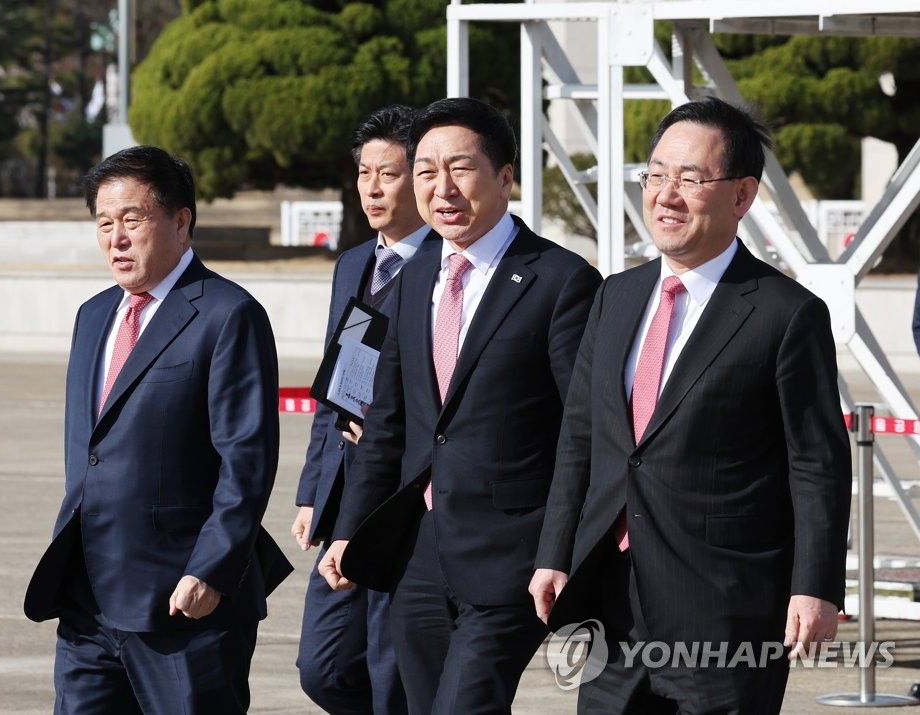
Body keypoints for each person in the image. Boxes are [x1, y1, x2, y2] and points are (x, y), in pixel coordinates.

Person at [530, 97, 852, 713]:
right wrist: (554, 553)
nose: (666, 195)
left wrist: (815, 589)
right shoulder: (615, 296)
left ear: (741, 195)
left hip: (726, 609)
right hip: (611, 606)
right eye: (655, 175)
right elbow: (581, 438)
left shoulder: (785, 314)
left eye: (690, 178)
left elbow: (816, 463)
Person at [318, 96, 603, 714]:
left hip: (512, 555)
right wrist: (349, 529)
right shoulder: (414, 274)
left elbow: (583, 432)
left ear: (504, 177)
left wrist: (557, 553)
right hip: (418, 557)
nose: (440, 187)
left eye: (461, 168)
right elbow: (386, 422)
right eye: (424, 170)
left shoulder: (561, 281)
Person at [23, 145, 291, 714]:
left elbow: (245, 460)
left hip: (184, 602)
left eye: (133, 220)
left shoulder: (227, 314)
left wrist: (211, 571)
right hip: (88, 597)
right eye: (104, 222)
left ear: (181, 220)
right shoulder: (94, 315)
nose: (116, 238)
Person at [290, 104, 436, 715]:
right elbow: (339, 386)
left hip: (406, 497)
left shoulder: (445, 267)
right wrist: (312, 489)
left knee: (390, 671)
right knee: (321, 668)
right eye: (364, 174)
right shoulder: (356, 263)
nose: (372, 189)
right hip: (345, 492)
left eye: (390, 174)